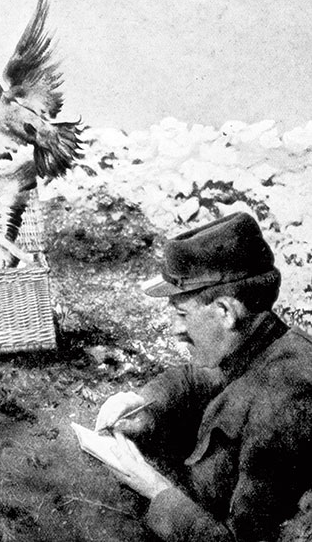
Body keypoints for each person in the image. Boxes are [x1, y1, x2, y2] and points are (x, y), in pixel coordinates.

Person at [94, 212, 312, 542]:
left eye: (182, 314)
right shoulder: (256, 342)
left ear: (224, 312)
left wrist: (156, 491)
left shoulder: (281, 406)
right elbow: (197, 378)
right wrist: (142, 405)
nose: (174, 330)